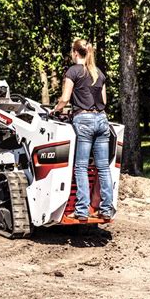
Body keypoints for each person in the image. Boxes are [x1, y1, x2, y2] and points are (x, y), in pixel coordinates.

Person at [51, 39, 113, 221]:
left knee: (81, 167)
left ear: (75, 53)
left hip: (84, 120)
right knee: (103, 168)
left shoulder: (73, 71)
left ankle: (82, 210)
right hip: (102, 120)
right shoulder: (98, 73)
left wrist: (56, 109)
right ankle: (106, 209)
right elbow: (104, 101)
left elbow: (65, 98)